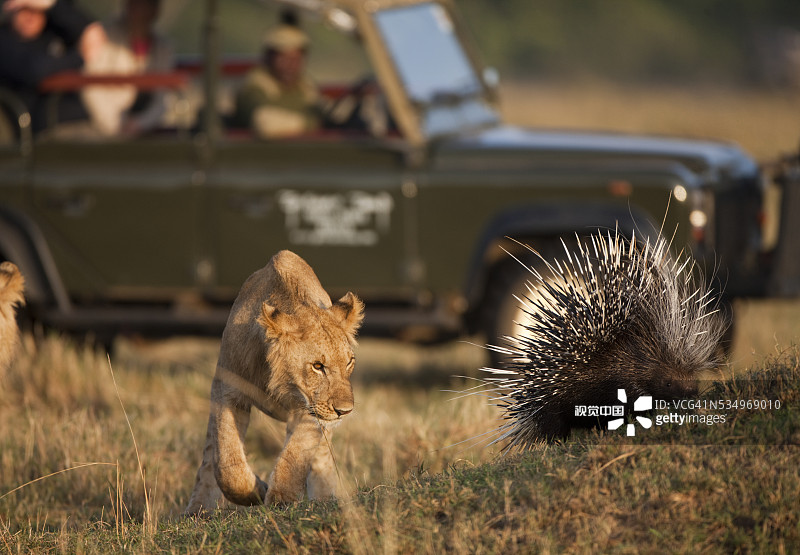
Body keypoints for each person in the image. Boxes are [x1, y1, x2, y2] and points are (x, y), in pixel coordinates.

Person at [0, 0, 106, 134]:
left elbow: (91, 32)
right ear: (10, 9)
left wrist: (52, 5)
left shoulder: (53, 34)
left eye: (37, 10)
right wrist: (79, 58)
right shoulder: (5, 39)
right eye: (24, 9)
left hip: (81, 122)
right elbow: (35, 70)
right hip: (41, 129)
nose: (31, 17)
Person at [81, 0, 174, 137]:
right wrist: (114, 126)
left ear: (155, 10)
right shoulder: (105, 36)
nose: (138, 10)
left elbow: (162, 100)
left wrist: (140, 124)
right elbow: (91, 88)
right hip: (103, 127)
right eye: (134, 3)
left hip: (144, 129)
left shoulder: (163, 47)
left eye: (146, 4)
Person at [232, 14, 322, 138]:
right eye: (283, 58)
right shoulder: (254, 87)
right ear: (268, 58)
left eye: (296, 59)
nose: (290, 66)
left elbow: (319, 113)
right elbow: (265, 122)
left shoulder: (305, 87)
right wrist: (312, 123)